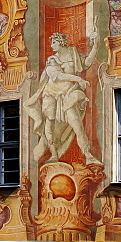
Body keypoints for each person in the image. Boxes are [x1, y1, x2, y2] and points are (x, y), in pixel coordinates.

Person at [25, 31, 101, 165]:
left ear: (60, 41)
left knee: (76, 123)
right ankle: (54, 155)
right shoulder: (52, 60)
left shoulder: (73, 53)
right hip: (51, 94)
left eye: (54, 42)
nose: (52, 46)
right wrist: (78, 79)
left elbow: (88, 63)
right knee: (50, 124)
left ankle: (88, 155)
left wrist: (96, 44)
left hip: (69, 92)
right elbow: (57, 76)